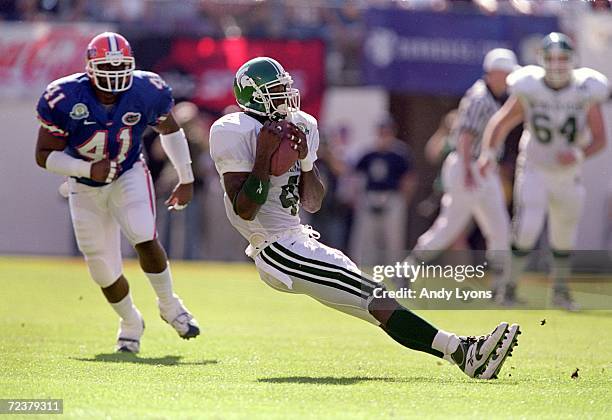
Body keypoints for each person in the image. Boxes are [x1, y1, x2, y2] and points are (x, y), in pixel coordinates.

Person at [209, 56, 520, 379]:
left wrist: (304, 162)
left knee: (375, 305)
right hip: (276, 248)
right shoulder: (233, 130)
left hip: (298, 238)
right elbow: (244, 209)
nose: (286, 98)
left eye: (285, 89)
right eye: (276, 91)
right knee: (374, 296)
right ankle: (465, 350)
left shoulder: (303, 124)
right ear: (253, 96)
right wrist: (263, 156)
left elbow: (313, 201)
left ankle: (463, 355)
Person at [34, 32, 200, 353]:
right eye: (106, 67)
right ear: (89, 67)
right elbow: (43, 155)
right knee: (101, 266)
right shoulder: (63, 96)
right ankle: (130, 322)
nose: (113, 75)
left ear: (132, 65)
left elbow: (170, 130)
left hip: (128, 171)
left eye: (120, 66)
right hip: (83, 185)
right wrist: (85, 169)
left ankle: (170, 305)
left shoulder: (146, 90)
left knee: (142, 232)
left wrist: (186, 176)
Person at [478, 33, 609, 309]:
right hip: (535, 167)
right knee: (527, 227)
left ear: (573, 60)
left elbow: (600, 138)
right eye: (552, 59)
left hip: (568, 172)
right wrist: (488, 153)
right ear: (542, 61)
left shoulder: (587, 88)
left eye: (563, 58)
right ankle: (509, 289)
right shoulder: (530, 86)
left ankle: (560, 292)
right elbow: (501, 122)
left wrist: (578, 153)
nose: (558, 65)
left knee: (563, 235)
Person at [404, 49, 518, 298]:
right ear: (494, 73)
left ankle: (502, 286)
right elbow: (466, 137)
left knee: (499, 228)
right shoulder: (480, 98)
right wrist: (468, 170)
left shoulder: (498, 96)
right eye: (507, 73)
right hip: (470, 167)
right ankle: (407, 269)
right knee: (449, 228)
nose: (509, 78)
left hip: (483, 168)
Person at [350, 117, 417, 265]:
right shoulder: (369, 153)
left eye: (387, 131)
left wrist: (404, 200)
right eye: (381, 131)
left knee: (393, 239)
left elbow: (409, 179)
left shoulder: (400, 153)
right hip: (370, 197)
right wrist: (356, 197)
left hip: (392, 198)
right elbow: (355, 175)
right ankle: (365, 270)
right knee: (367, 239)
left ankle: (393, 270)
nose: (384, 134)